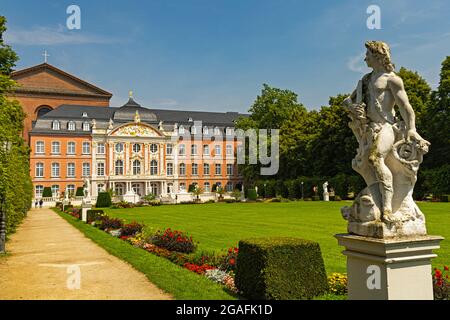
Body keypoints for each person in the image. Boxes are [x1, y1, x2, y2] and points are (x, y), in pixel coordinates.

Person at [344, 41, 428, 222]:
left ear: (378, 56)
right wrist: (354, 108)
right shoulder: (366, 80)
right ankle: (379, 201)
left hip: (386, 127)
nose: (365, 58)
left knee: (375, 158)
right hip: (368, 129)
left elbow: (405, 106)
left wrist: (412, 129)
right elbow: (348, 101)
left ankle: (388, 207)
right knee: (363, 166)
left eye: (368, 54)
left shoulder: (392, 79)